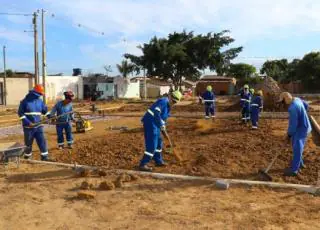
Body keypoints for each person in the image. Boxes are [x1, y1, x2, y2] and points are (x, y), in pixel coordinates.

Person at [139, 90, 183, 172]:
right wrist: (161, 124)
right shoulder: (163, 101)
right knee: (152, 144)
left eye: (175, 102)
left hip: (156, 125)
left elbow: (163, 120)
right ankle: (143, 164)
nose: (173, 103)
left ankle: (158, 161)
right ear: (170, 96)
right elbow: (156, 112)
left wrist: (163, 127)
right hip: (150, 123)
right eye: (173, 101)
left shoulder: (168, 107)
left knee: (159, 143)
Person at [277, 92, 312, 176]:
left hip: (301, 128)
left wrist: (289, 134)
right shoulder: (297, 99)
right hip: (304, 126)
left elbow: (293, 124)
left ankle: (294, 170)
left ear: (286, 100)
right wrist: (302, 114)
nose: (283, 105)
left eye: (282, 102)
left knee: (297, 147)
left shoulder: (292, 108)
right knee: (295, 144)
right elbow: (306, 105)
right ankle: (300, 163)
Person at [18, 84, 51, 161]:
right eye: (39, 94)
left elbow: (44, 111)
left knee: (42, 141)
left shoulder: (40, 101)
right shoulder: (24, 101)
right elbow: (20, 113)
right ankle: (27, 156)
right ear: (34, 93)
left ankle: (44, 157)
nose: (40, 96)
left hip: (38, 126)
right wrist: (28, 122)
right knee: (28, 143)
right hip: (28, 127)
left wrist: (49, 115)